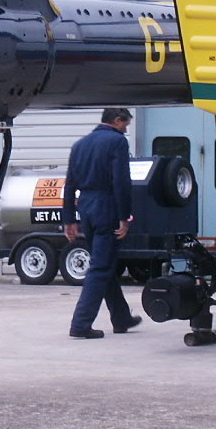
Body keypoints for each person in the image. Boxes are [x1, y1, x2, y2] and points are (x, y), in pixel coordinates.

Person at [62, 108, 144, 339]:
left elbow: (69, 184)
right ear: (117, 121)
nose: (125, 130)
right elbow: (121, 180)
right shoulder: (116, 142)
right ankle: (81, 324)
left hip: (85, 207)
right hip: (106, 205)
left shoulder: (80, 145)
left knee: (104, 263)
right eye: (125, 125)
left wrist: (68, 219)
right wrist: (124, 216)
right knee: (99, 268)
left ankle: (121, 318)